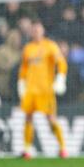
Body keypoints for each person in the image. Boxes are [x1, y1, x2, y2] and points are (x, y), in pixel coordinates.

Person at [17, 19, 68, 159]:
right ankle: (26, 149)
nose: (36, 32)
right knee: (28, 118)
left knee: (51, 119)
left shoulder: (50, 46)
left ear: (43, 31)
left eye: (38, 30)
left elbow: (61, 63)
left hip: (45, 90)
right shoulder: (28, 48)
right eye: (34, 30)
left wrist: (60, 78)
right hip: (31, 90)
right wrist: (21, 83)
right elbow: (24, 68)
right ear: (31, 32)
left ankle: (63, 147)